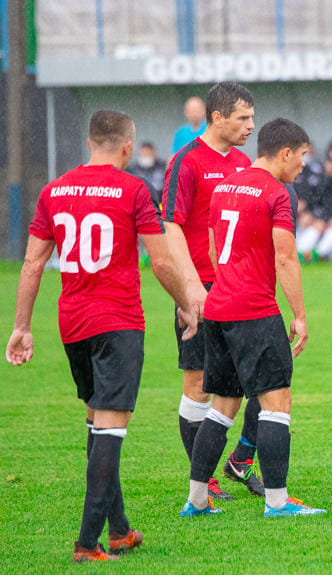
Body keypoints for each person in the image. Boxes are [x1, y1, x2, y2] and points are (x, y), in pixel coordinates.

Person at [5, 110, 199, 561]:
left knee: (98, 422)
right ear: (127, 147)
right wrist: (187, 306)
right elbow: (163, 262)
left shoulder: (54, 191)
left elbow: (33, 263)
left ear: (89, 143)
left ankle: (119, 531)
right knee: (111, 430)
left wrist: (20, 326)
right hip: (117, 322)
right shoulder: (132, 189)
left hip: (72, 323)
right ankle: (87, 543)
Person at [179, 118, 325, 518]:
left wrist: (226, 282)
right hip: (255, 311)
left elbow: (211, 248)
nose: (303, 166)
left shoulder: (225, 185)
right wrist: (299, 314)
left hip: (219, 307)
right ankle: (277, 503)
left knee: (222, 407)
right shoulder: (278, 193)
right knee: (277, 403)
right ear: (285, 153)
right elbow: (285, 256)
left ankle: (195, 500)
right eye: (302, 156)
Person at [162, 81, 263, 500]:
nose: (251, 126)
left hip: (240, 287)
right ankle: (204, 479)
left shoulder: (243, 162)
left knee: (259, 378)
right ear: (217, 118)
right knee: (200, 385)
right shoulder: (186, 162)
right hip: (200, 288)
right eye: (243, 118)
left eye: (253, 117)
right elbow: (170, 227)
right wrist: (188, 293)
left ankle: (240, 459)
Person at [127, 142, 167, 209]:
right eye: (143, 154)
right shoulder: (133, 170)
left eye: (147, 154)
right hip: (140, 205)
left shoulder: (162, 168)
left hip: (160, 205)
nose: (145, 156)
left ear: (154, 154)